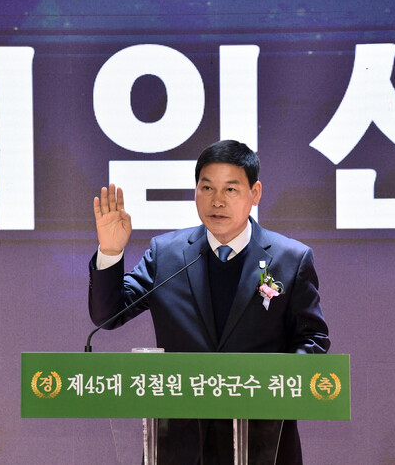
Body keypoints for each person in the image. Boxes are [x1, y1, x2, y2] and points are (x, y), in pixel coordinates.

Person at [89, 140, 330, 464]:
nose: (217, 200)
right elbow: (107, 315)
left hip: (261, 442)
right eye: (207, 188)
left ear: (255, 193)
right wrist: (110, 251)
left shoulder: (291, 259)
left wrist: (270, 386)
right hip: (177, 446)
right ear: (196, 192)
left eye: (230, 189)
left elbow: (312, 339)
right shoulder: (167, 254)